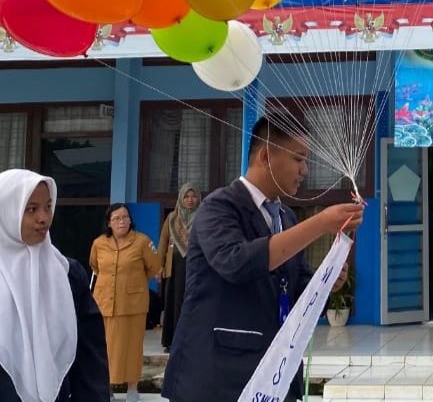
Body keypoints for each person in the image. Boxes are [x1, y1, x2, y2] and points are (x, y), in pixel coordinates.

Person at [162, 113, 364, 402]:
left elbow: (296, 289)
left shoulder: (286, 216)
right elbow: (237, 263)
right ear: (266, 156)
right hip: (218, 375)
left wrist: (326, 281)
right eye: (299, 158)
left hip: (273, 375)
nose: (305, 169)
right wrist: (320, 224)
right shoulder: (218, 207)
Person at [0, 169, 111, 402]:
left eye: (48, 206)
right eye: (31, 209)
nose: (44, 217)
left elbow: (90, 359)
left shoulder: (67, 275)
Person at [89, 203, 161, 401]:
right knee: (105, 348)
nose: (122, 222)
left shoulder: (142, 241)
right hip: (105, 303)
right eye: (117, 219)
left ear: (131, 220)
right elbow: (95, 266)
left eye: (125, 217)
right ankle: (108, 388)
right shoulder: (99, 243)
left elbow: (153, 267)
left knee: (132, 348)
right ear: (109, 223)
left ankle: (132, 390)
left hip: (132, 305)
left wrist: (134, 282)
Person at [157, 183, 200, 352]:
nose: (190, 200)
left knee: (193, 302)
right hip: (174, 268)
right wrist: (158, 266)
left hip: (195, 268)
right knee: (174, 303)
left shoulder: (203, 216)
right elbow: (162, 243)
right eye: (186, 196)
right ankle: (172, 341)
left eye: (193, 196)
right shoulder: (172, 218)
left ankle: (192, 340)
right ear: (181, 198)